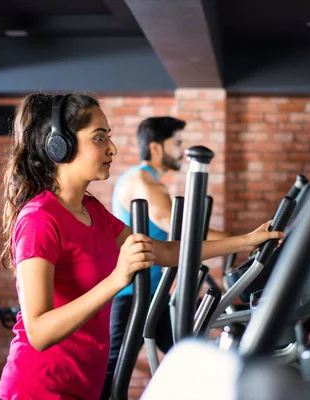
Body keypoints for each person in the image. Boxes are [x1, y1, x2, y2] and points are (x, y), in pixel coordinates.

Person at [0, 92, 283, 400]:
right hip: (38, 390)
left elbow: (166, 252)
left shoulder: (92, 211)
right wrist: (117, 279)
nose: (112, 148)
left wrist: (247, 240)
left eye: (109, 137)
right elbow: (38, 332)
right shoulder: (39, 219)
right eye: (99, 137)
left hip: (82, 388)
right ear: (61, 145)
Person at [101, 117, 232, 399]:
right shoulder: (142, 182)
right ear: (157, 147)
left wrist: (245, 241)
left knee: (185, 354)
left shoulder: (149, 181)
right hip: (131, 296)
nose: (182, 151)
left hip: (153, 295)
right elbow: (182, 228)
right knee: (112, 371)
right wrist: (244, 240)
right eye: (178, 143)